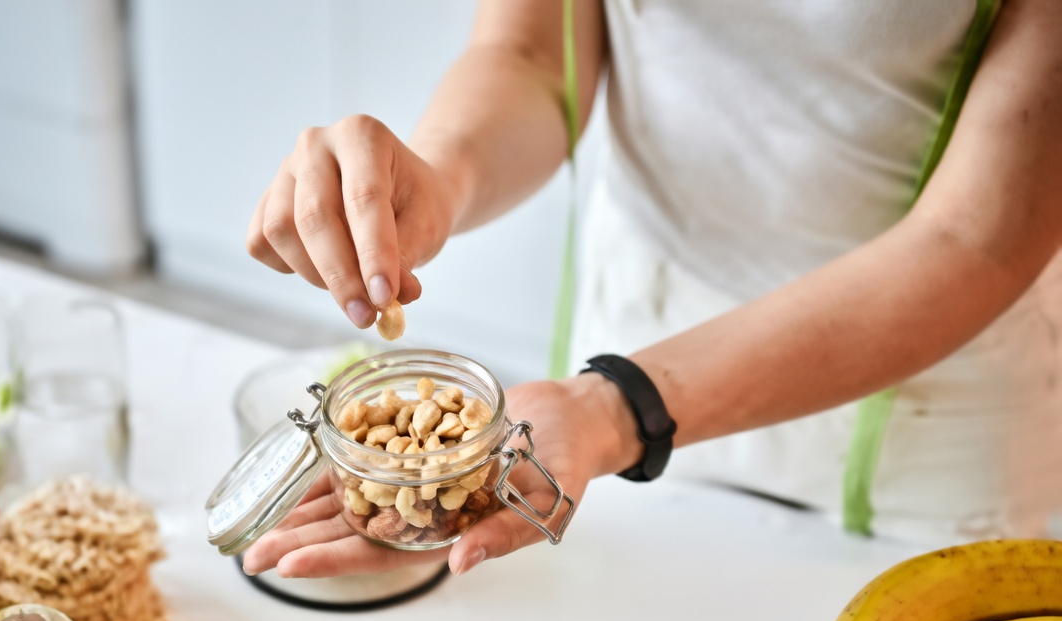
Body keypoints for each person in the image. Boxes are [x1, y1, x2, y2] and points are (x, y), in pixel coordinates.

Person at [241, 0, 1062, 579]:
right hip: (631, 338)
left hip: (922, 399)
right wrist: (439, 176)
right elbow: (532, 52)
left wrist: (617, 409)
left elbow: (979, 236)